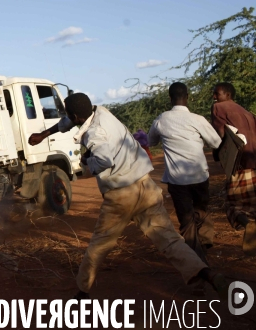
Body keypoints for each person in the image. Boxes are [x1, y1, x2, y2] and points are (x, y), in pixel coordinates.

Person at [28, 93, 227, 299]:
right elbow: (70, 121)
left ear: (76, 115)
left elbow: (104, 161)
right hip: (146, 186)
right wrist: (44, 134)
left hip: (121, 196)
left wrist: (87, 162)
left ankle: (82, 290)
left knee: (99, 245)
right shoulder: (102, 112)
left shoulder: (95, 133)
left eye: (70, 115)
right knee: (170, 240)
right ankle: (207, 273)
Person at [147, 82, 222, 263]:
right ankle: (204, 244)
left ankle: (196, 259)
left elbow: (151, 141)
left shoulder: (161, 119)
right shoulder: (198, 120)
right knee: (201, 210)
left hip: (177, 180)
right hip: (199, 175)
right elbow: (216, 143)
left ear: (170, 99)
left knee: (186, 219)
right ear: (187, 97)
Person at [211, 82, 256, 255]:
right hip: (254, 161)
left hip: (240, 163)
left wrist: (219, 155)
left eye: (217, 93)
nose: (214, 97)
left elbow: (220, 135)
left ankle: (248, 226)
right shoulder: (246, 111)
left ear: (227, 94)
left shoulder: (219, 108)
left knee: (234, 205)